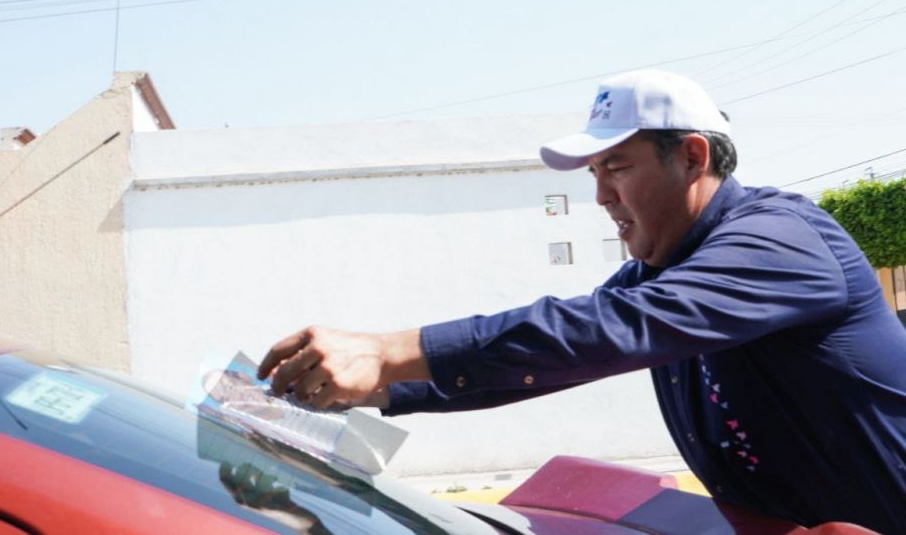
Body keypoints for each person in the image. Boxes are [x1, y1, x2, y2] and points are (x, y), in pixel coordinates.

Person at [257, 69, 906, 531]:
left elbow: (602, 330)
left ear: (691, 156)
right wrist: (375, 390)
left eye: (616, 167)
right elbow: (551, 355)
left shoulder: (778, 241)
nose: (600, 196)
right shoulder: (657, 276)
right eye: (593, 174)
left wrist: (387, 351)